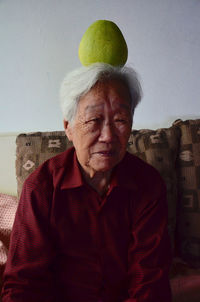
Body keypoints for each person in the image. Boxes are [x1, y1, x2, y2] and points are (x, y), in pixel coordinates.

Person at [1, 63, 172, 302]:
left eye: (120, 119)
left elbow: (148, 281)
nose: (108, 136)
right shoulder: (41, 188)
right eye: (94, 120)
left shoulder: (148, 185)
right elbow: (24, 284)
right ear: (68, 127)